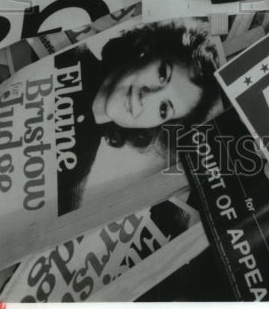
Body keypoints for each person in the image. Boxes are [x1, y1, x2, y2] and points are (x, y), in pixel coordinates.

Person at [53, 20, 221, 214]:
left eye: (164, 109)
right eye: (162, 74)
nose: (147, 97)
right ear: (145, 51)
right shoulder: (70, 55)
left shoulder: (76, 177)